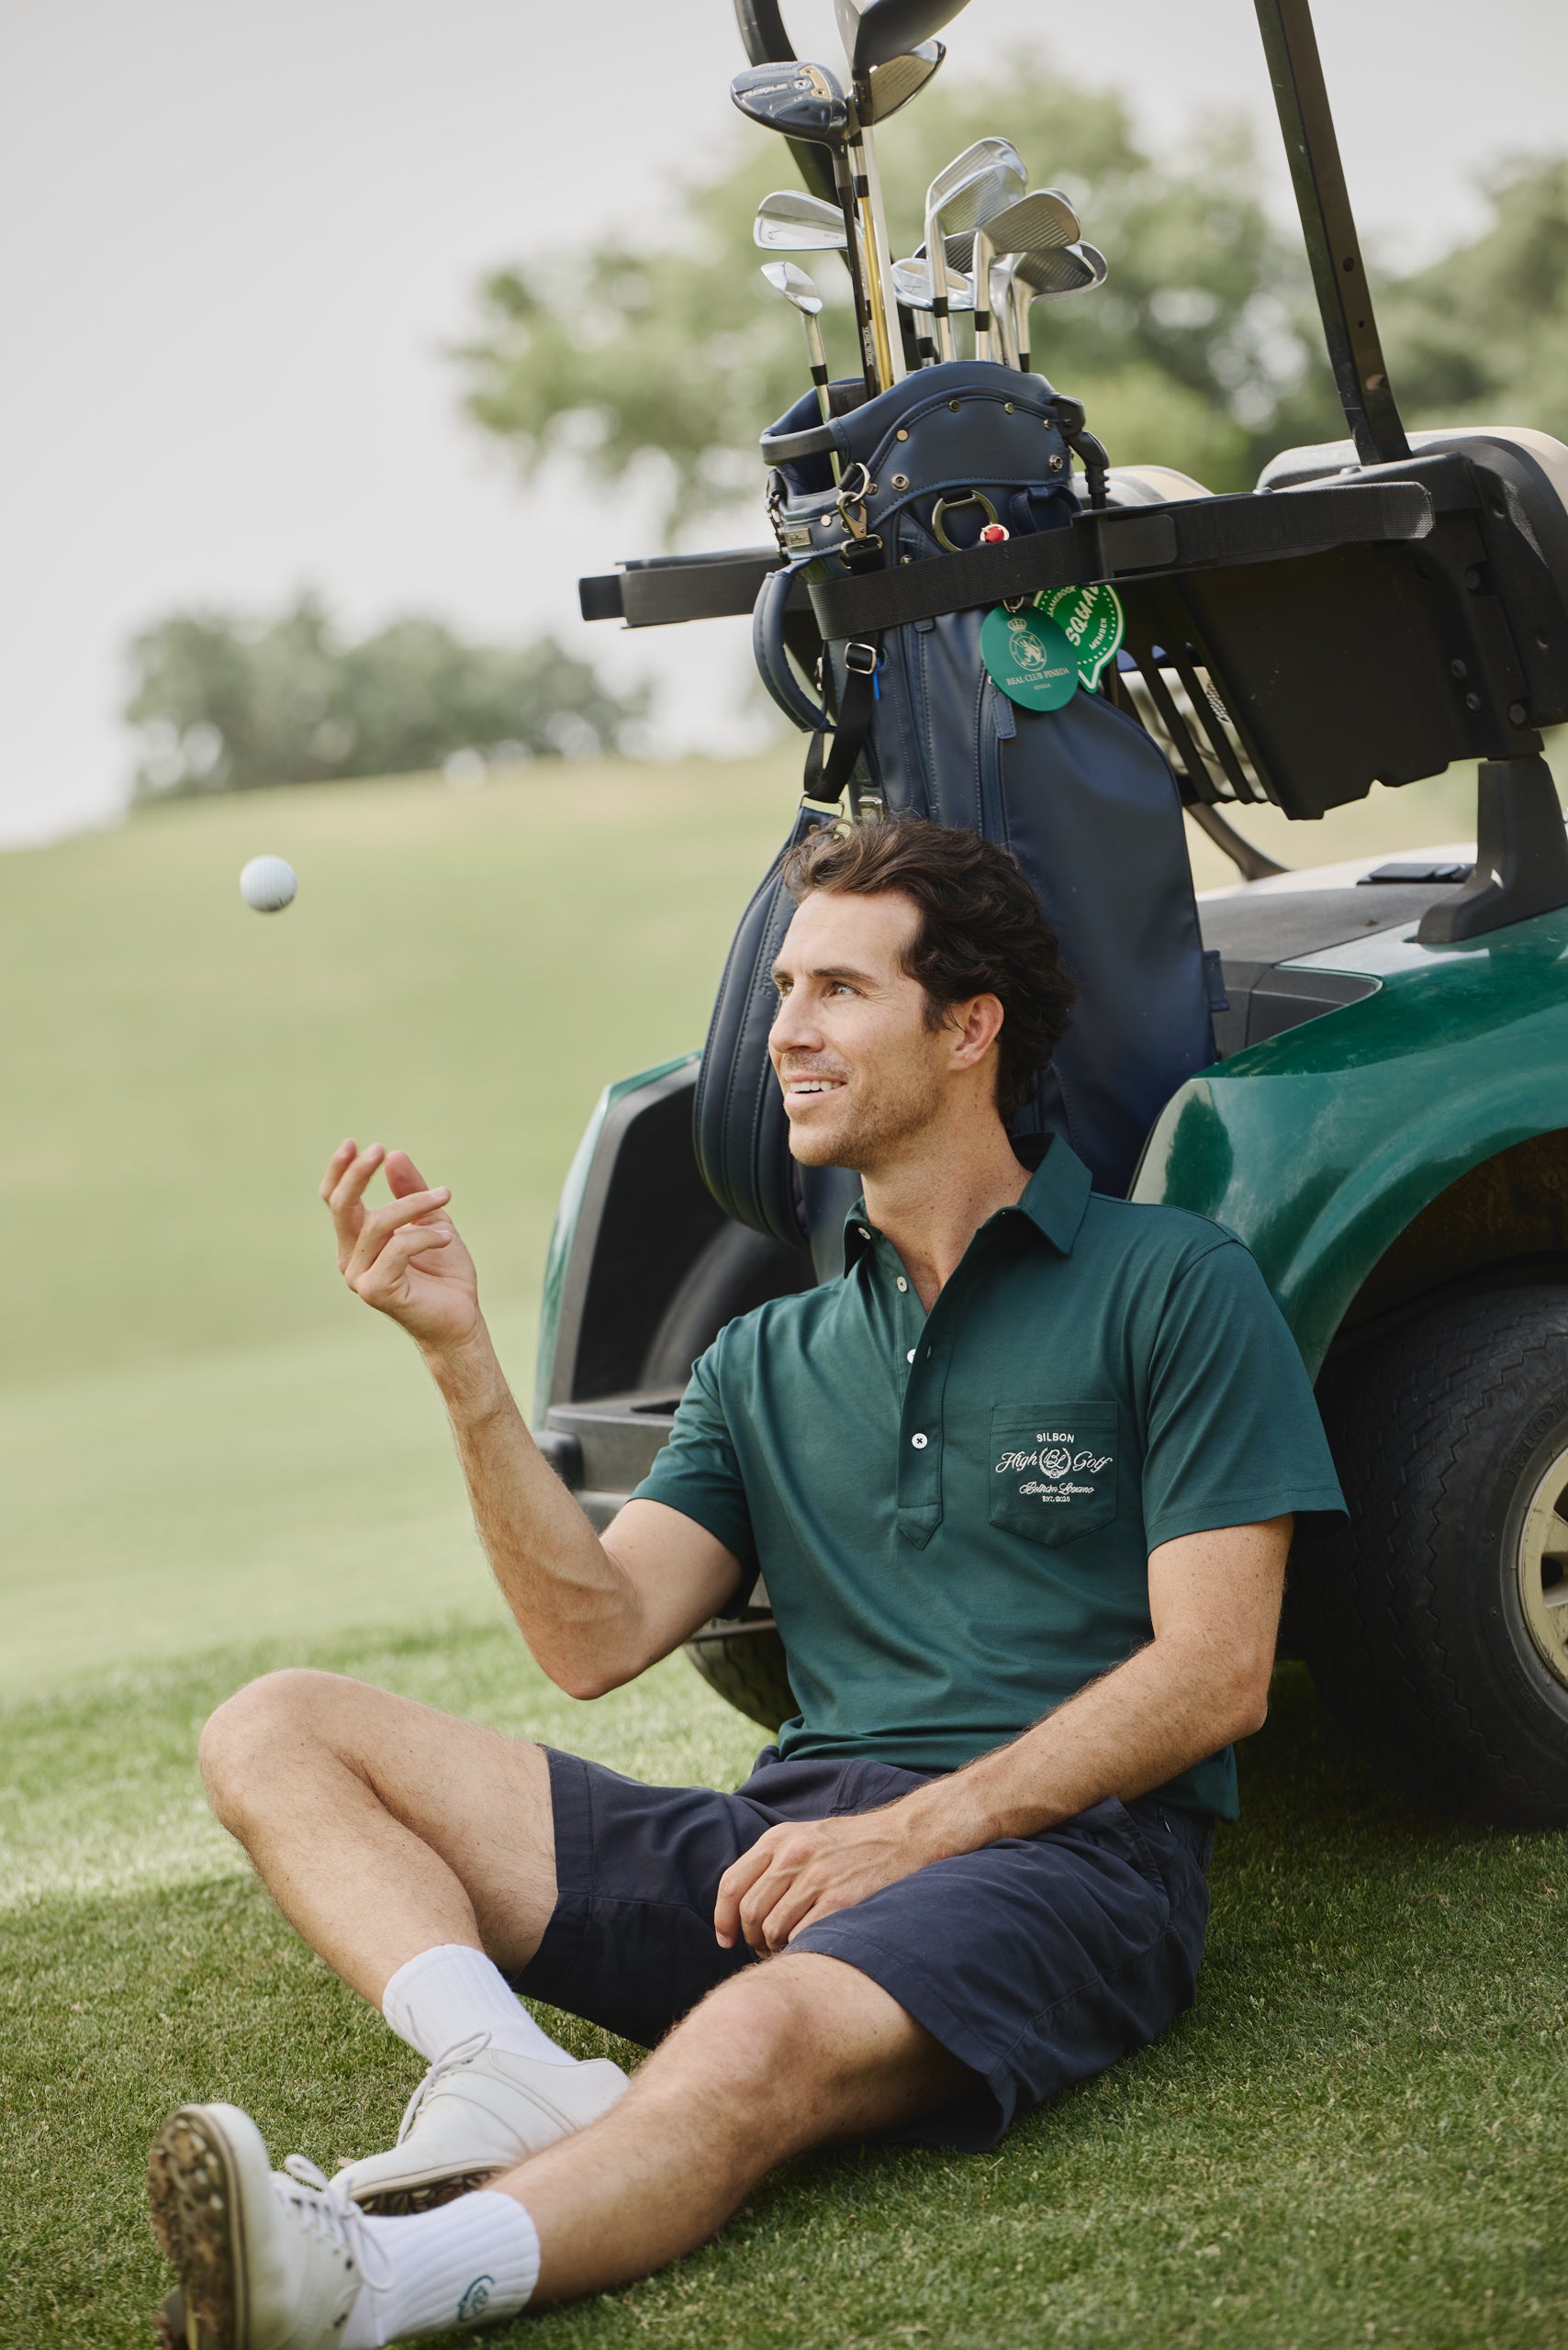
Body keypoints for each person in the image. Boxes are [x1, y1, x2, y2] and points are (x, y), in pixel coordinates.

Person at [148, 816, 1343, 2349]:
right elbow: (593, 1635)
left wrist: (915, 1836)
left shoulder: (1172, 1286)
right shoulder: (763, 1356)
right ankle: (504, 2071)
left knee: (760, 2029)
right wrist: (460, 1363)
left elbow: (1217, 1673)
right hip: (794, 1842)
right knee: (275, 1729)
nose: (782, 1030)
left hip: (1071, 1866)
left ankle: (374, 2288)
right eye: (784, 987)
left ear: (968, 1027)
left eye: (839, 989)